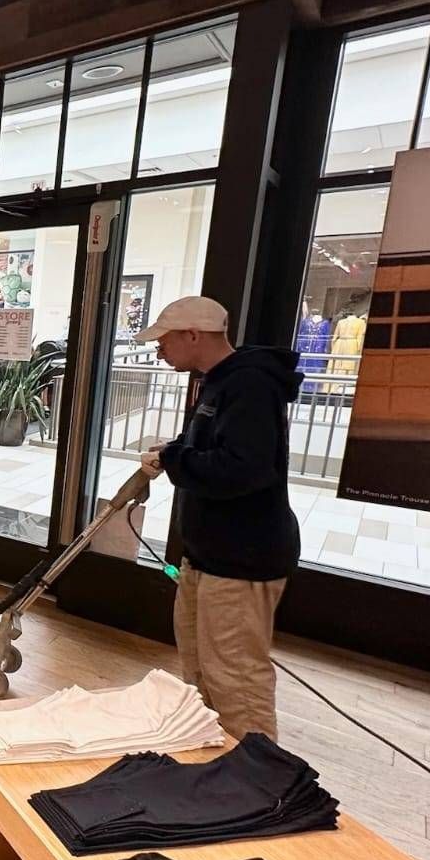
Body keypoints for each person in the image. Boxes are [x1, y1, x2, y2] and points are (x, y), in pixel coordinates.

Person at [134, 296, 303, 741]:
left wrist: (176, 458)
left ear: (193, 335)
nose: (159, 350)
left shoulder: (250, 385)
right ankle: (214, 758)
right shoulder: (217, 381)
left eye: (164, 340)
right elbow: (214, 449)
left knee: (235, 678)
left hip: (241, 559)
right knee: (198, 669)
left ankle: (256, 772)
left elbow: (243, 469)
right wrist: (175, 451)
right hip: (207, 555)